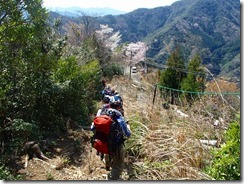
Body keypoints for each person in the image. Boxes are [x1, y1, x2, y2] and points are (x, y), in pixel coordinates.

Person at [104, 101, 131, 180]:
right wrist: (128, 126)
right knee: (119, 164)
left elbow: (93, 128)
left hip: (105, 142)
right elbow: (128, 134)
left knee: (108, 153)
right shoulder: (119, 118)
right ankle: (112, 179)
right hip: (116, 145)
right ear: (119, 108)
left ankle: (107, 165)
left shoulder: (104, 114)